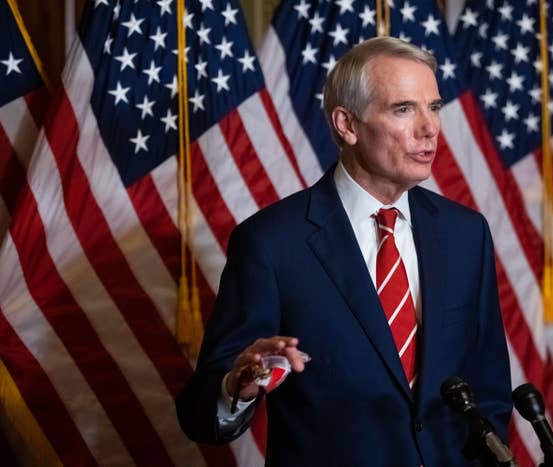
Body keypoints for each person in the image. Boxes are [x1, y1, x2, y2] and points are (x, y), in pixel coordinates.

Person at [176, 36, 512, 467]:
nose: (429, 128)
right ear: (346, 125)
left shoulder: (467, 233)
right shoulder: (271, 243)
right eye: (404, 109)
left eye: (434, 107)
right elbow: (198, 413)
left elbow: (488, 391)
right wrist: (232, 388)